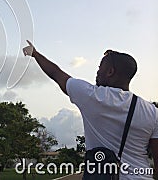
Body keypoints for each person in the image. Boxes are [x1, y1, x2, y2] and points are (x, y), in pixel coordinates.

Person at [23, 40, 157, 179]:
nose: (97, 72)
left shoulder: (92, 97)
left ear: (110, 72)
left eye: (100, 67)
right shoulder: (152, 112)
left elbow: (57, 74)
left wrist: (35, 54)